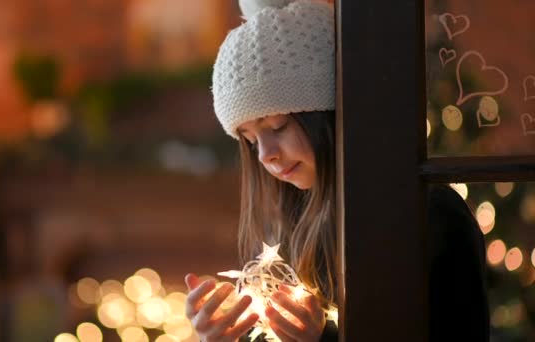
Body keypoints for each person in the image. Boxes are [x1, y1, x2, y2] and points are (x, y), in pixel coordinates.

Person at [184, 0, 489, 341]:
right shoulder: (292, 222)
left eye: (279, 125)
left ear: (329, 115)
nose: (265, 155)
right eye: (250, 139)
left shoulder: (429, 215)